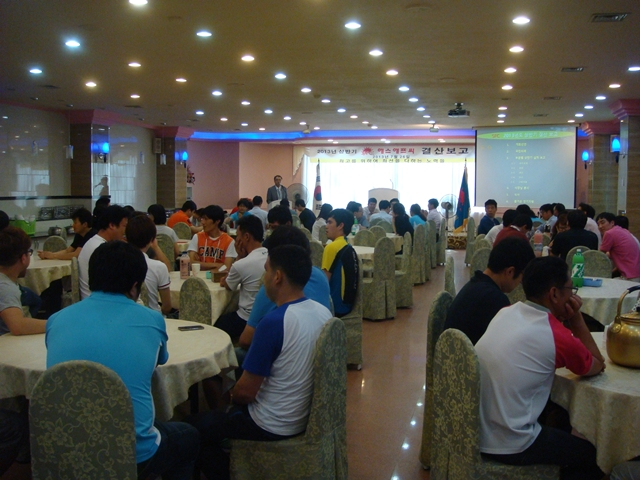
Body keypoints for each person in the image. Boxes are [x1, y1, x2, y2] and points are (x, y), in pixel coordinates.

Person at [46, 241, 199, 479]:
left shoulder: (56, 319)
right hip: (132, 454)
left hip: (67, 449)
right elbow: (161, 360)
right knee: (188, 436)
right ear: (134, 286)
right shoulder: (151, 319)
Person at [188, 244, 332, 480]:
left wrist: (229, 398)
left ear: (277, 277)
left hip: (271, 423)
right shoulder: (323, 312)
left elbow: (245, 393)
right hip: (306, 416)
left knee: (192, 430)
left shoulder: (274, 322)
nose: (263, 279)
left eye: (266, 271)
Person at [476, 256, 605, 480]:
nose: (573, 296)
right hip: (511, 442)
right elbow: (597, 364)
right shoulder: (556, 335)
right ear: (554, 294)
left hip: (477, 429)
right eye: (570, 290)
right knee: (593, 455)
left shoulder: (506, 311)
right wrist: (576, 318)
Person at [237, 226, 331, 355]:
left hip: (289, 357)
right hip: (319, 353)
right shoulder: (321, 276)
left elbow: (246, 340)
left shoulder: (275, 288)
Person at [444, 236, 534, 344]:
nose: (519, 284)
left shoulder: (475, 284)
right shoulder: (496, 300)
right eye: (521, 279)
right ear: (510, 272)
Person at [215, 215, 267, 340]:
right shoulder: (270, 255)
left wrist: (238, 257)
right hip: (266, 316)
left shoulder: (242, 264)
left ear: (246, 237)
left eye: (238, 236)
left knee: (215, 324)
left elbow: (227, 284)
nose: (236, 239)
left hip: (245, 319)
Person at [125, 213, 175, 315]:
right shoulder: (159, 267)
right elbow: (167, 307)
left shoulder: (118, 264)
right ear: (152, 239)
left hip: (128, 316)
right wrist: (156, 247)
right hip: (153, 317)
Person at [0, 227, 46, 335]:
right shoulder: (6, 288)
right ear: (23, 258)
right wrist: (56, 323)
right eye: (29, 252)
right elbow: (18, 326)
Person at [78, 205, 129, 299]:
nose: (125, 231)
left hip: (94, 298)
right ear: (112, 225)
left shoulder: (93, 242)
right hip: (99, 300)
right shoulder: (101, 249)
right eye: (124, 226)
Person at [322, 208, 359, 317]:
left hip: (334, 307)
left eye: (330, 222)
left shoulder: (332, 247)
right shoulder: (348, 245)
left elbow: (324, 282)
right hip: (347, 305)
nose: (326, 226)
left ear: (340, 225)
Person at [188, 205, 237, 272]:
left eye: (206, 219)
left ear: (217, 221)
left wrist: (200, 264)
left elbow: (226, 268)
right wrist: (217, 265)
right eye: (202, 218)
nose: (202, 222)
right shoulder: (197, 237)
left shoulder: (229, 241)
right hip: (198, 276)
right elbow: (191, 263)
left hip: (218, 277)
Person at [597, 212, 640, 281]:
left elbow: (599, 255)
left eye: (602, 222)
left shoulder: (609, 233)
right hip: (636, 274)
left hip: (629, 277)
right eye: (598, 224)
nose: (600, 226)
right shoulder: (624, 231)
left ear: (612, 223)